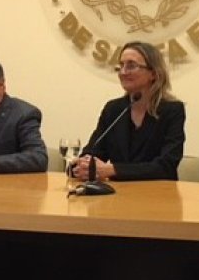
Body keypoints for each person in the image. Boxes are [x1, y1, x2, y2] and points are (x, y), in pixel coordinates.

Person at [71, 41, 185, 182]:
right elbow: (93, 153)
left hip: (157, 196)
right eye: (120, 66)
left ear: (154, 74)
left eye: (131, 66)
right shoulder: (113, 109)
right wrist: (81, 166)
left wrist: (112, 170)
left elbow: (165, 167)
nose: (123, 72)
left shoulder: (172, 110)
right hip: (116, 196)